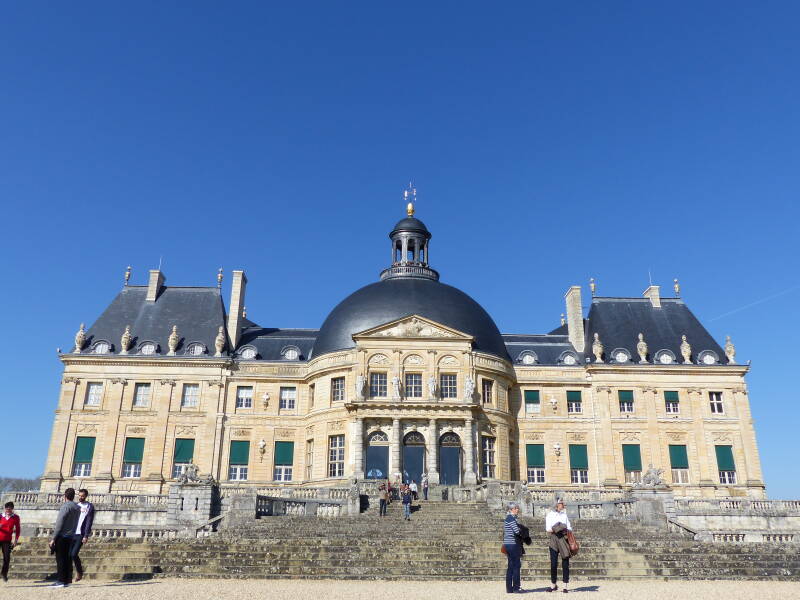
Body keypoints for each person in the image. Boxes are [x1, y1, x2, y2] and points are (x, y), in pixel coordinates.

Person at [49, 488, 80, 588]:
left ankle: (61, 580)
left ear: (65, 496)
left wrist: (54, 537)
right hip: (71, 536)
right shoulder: (77, 507)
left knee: (61, 559)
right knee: (67, 559)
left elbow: (59, 523)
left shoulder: (65, 506)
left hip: (62, 535)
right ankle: (67, 580)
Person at [545, 499, 572, 593]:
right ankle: (553, 585)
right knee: (553, 563)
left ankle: (565, 585)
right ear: (556, 505)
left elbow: (569, 527)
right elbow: (548, 529)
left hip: (563, 539)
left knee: (565, 562)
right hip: (554, 539)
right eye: (561, 504)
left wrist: (563, 528)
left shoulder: (564, 515)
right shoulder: (550, 515)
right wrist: (559, 528)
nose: (563, 505)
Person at [71, 489, 95, 581]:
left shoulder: (89, 506)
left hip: (80, 534)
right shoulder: (76, 506)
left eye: (82, 496)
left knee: (73, 554)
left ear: (86, 496)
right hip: (72, 533)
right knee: (69, 555)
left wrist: (86, 535)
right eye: (79, 495)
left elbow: (89, 521)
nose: (80, 497)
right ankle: (69, 575)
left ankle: (79, 572)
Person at [503, 501, 523, 594]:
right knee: (516, 566)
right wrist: (521, 530)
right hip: (512, 544)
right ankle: (516, 587)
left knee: (510, 566)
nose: (517, 510)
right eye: (516, 508)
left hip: (508, 544)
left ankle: (509, 588)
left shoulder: (509, 518)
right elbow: (516, 531)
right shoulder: (511, 518)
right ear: (511, 509)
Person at [0, 502, 21, 583]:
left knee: (7, 558)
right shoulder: (0, 516)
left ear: (12, 509)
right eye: (7, 509)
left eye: (10, 509)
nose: (8, 511)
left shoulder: (16, 517)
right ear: (4, 509)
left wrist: (16, 540)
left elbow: (18, 529)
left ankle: (4, 573)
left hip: (7, 540)